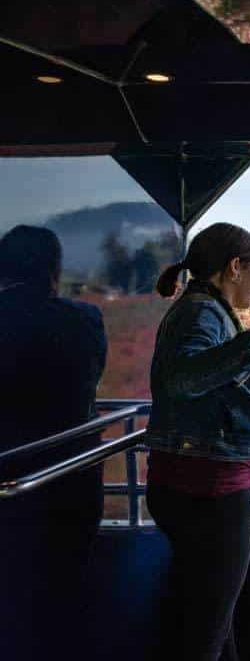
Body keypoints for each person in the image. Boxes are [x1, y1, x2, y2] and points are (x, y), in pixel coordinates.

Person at [145, 222, 250, 661]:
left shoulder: (201, 310)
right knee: (205, 633)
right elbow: (184, 380)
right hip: (209, 491)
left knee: (214, 621)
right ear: (234, 267)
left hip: (194, 484)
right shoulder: (201, 312)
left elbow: (211, 385)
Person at [0, 225, 108, 658]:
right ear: (55, 270)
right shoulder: (85, 319)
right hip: (71, 479)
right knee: (66, 592)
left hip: (7, 481)